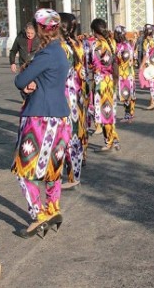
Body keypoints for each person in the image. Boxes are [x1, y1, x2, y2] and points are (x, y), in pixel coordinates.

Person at [12, 8, 71, 238]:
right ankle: (53, 207)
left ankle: (39, 214)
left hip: (40, 118)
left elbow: (20, 80)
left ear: (39, 29)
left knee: (23, 169)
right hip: (60, 117)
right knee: (52, 168)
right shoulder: (61, 52)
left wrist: (30, 80)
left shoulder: (45, 54)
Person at [59, 12, 87, 191]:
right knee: (76, 132)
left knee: (67, 133)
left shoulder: (61, 47)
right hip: (79, 92)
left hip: (66, 94)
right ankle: (74, 174)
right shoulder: (77, 44)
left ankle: (70, 175)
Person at [88, 18, 121, 151]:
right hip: (111, 80)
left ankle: (111, 140)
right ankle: (112, 139)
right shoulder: (112, 42)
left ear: (95, 31)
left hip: (100, 82)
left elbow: (95, 65)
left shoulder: (97, 45)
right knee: (108, 110)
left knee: (101, 111)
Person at [114, 25, 137, 122]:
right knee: (130, 93)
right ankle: (130, 114)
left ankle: (128, 115)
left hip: (124, 74)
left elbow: (122, 60)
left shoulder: (121, 46)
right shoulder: (128, 44)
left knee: (125, 94)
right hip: (130, 72)